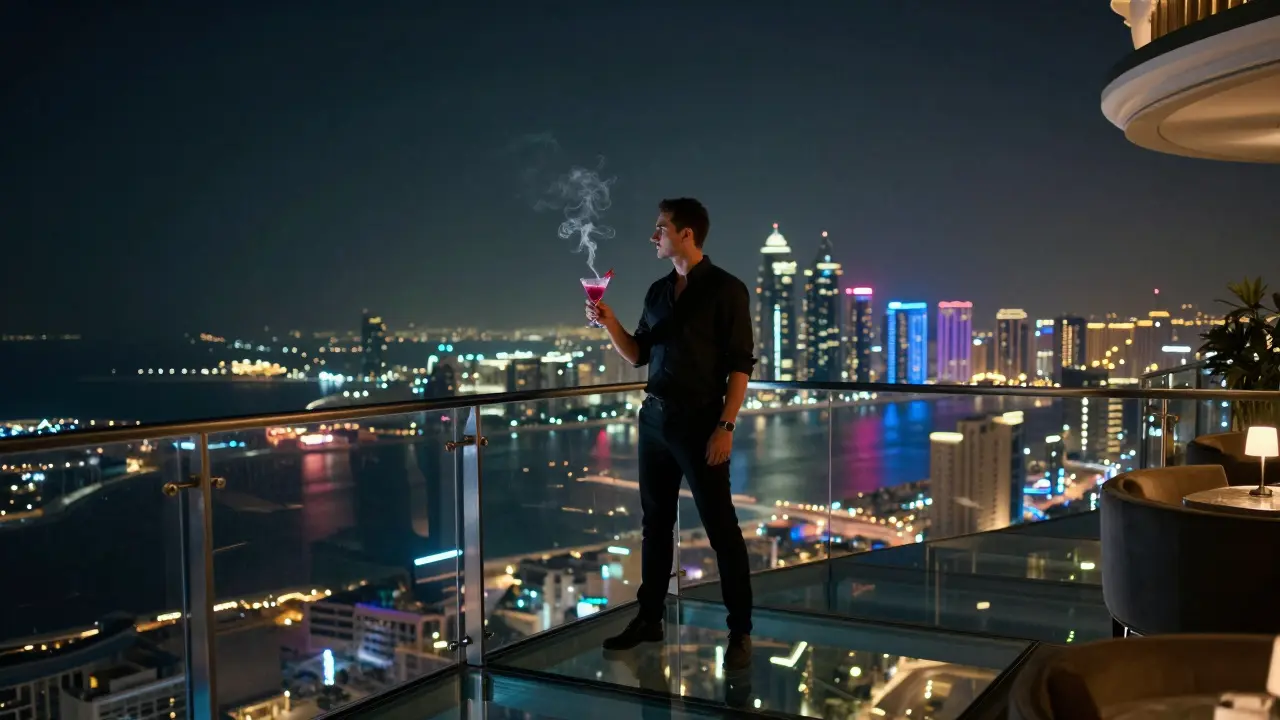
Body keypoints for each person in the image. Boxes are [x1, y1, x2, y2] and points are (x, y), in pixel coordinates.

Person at [586, 197, 755, 671]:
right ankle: (649, 618)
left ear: (686, 234)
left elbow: (741, 365)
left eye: (660, 227)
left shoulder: (727, 291)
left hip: (701, 424)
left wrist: (726, 425)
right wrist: (610, 323)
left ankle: (740, 631)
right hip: (654, 420)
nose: (653, 235)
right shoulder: (658, 292)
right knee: (655, 524)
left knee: (722, 528)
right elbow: (638, 354)